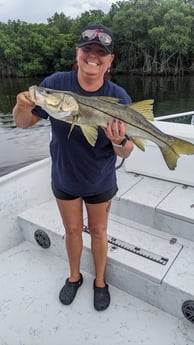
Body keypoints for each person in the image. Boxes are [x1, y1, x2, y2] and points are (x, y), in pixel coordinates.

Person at [13, 24, 134, 311]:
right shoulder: (56, 84)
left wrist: (118, 142)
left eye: (100, 52)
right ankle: (74, 276)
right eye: (87, 50)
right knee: (71, 230)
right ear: (77, 53)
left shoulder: (118, 96)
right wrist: (21, 106)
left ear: (110, 60)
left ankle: (100, 282)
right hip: (64, 177)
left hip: (100, 179)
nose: (93, 56)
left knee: (99, 232)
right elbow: (23, 122)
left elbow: (127, 150)